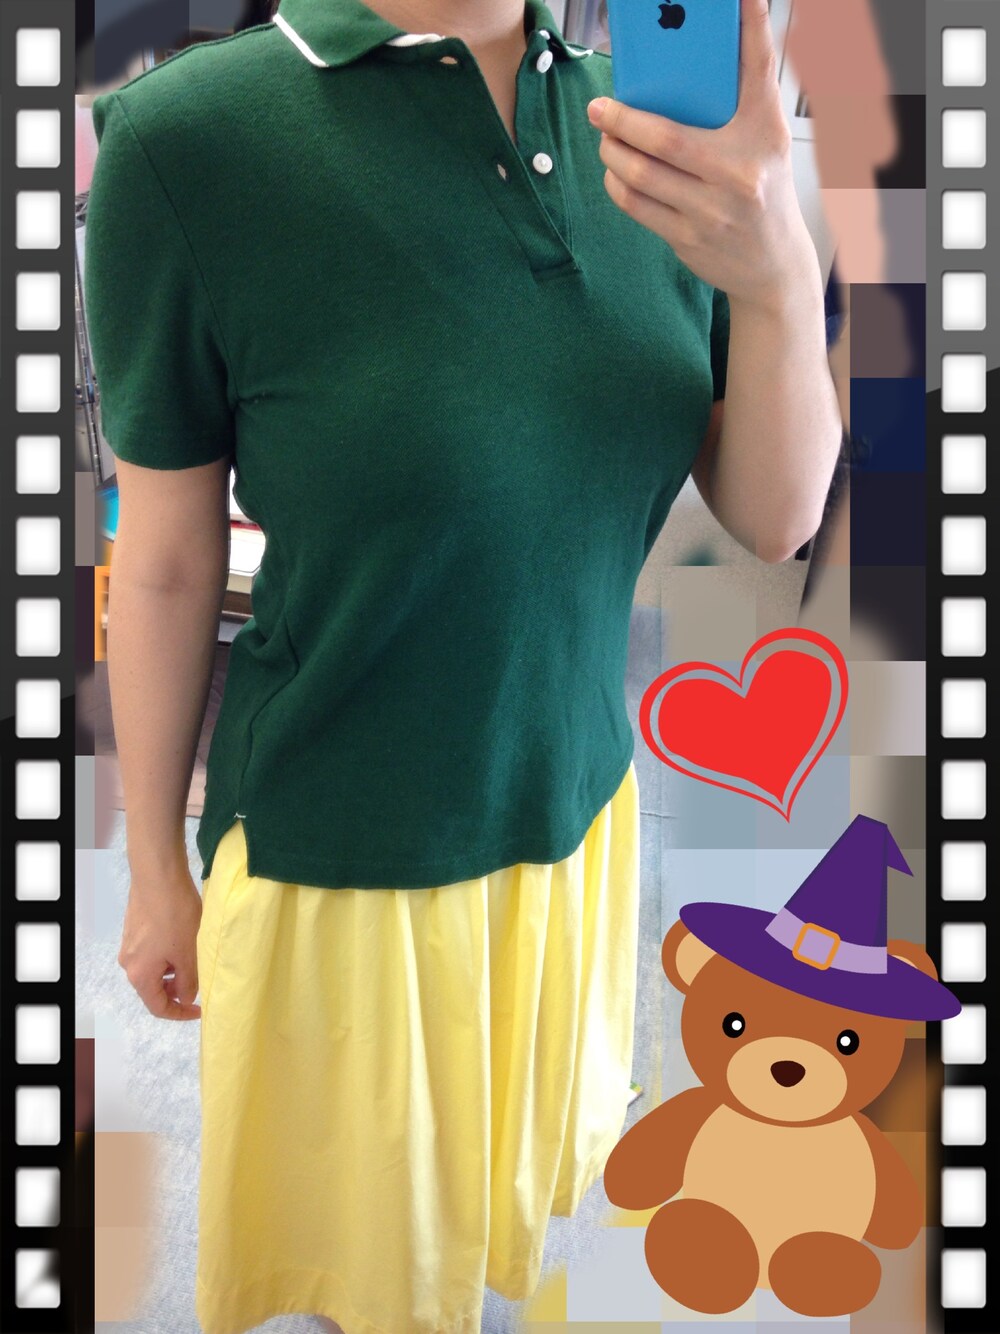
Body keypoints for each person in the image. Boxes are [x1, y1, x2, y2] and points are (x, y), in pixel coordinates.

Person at [84, 0, 843, 1328]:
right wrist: (153, 862)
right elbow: (162, 562)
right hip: (346, 862)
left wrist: (780, 273)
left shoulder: (652, 131)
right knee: (369, 1266)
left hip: (571, 826)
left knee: (493, 1230)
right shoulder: (190, 139)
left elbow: (777, 516)